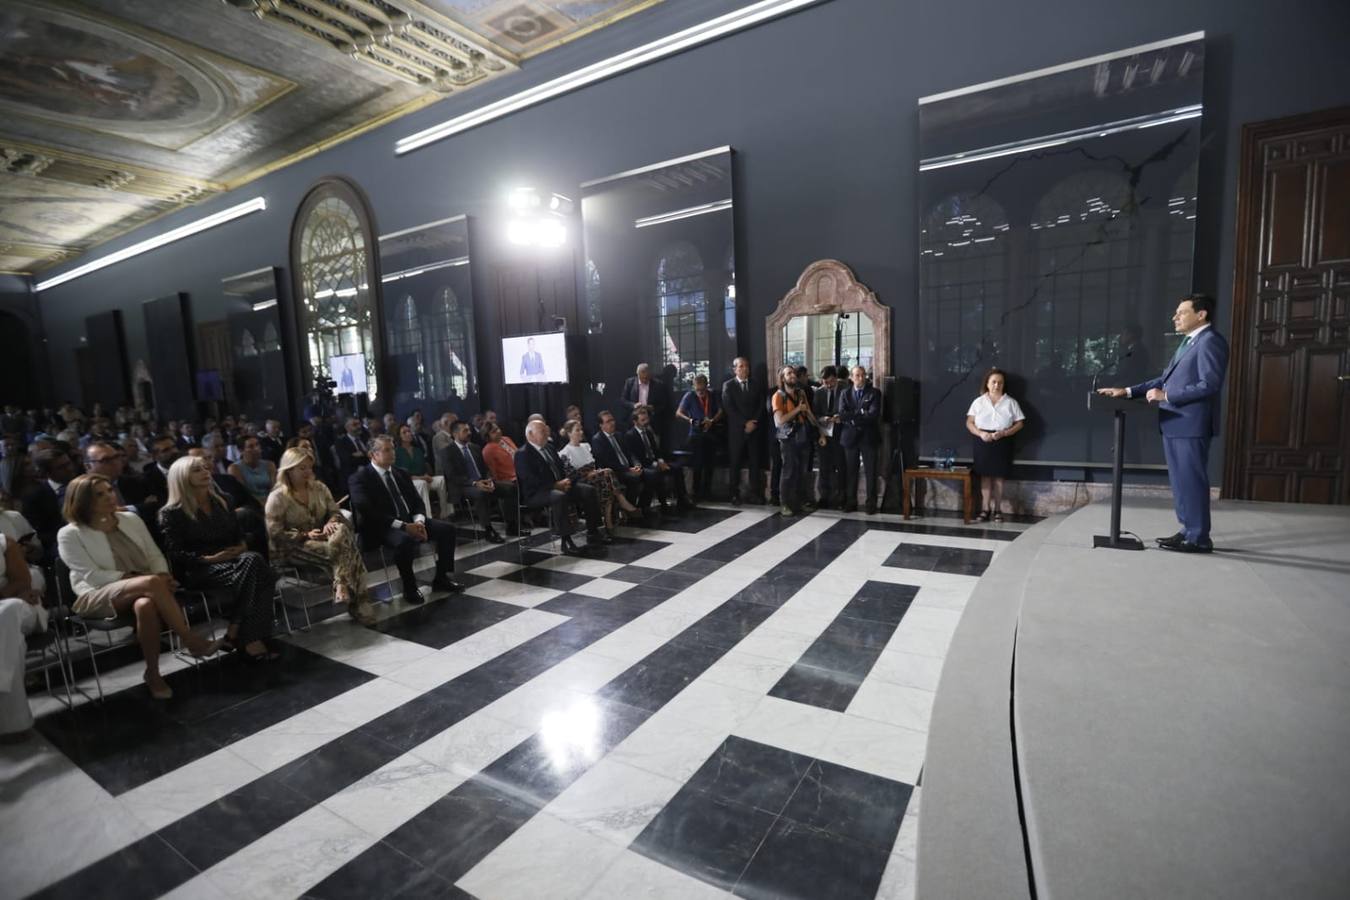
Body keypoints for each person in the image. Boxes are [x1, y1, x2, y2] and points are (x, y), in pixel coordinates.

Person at [59, 474, 221, 700]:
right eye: (100, 494)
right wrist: (146, 579)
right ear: (83, 501)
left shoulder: (130, 519)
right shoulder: (70, 534)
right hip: (96, 594)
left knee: (145, 604)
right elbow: (92, 576)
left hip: (144, 588)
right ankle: (190, 639)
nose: (109, 496)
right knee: (151, 583)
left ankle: (153, 674)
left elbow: (154, 554)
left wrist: (163, 574)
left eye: (109, 490)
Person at [1097, 293, 1230, 553]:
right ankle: (1188, 530)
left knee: (1191, 481)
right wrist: (1126, 390)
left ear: (1201, 314)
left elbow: (1209, 384)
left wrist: (1166, 396)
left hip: (1190, 424)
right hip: (1175, 423)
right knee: (1181, 483)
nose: (1175, 317)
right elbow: (1164, 378)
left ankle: (1199, 537)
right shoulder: (1189, 343)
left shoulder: (1210, 341)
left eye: (1181, 312)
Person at [159, 458, 279, 661]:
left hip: (235, 562)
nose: (205, 472)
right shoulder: (171, 513)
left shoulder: (224, 500)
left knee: (252, 562)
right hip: (201, 569)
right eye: (197, 470)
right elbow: (175, 553)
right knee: (262, 571)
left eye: (206, 467)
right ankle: (243, 635)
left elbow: (238, 534)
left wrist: (240, 545)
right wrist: (209, 558)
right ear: (182, 477)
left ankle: (236, 634)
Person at [266, 449, 376, 626]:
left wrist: (330, 522)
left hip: (326, 539)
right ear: (289, 470)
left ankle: (341, 584)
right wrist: (304, 535)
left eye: (309, 467)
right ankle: (360, 606)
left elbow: (335, 512)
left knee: (340, 530)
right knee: (350, 553)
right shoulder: (277, 497)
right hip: (292, 548)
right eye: (302, 468)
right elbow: (275, 534)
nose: (308, 472)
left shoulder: (320, 488)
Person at [348, 436, 463, 604]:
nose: (392, 453)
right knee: (405, 541)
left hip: (410, 520)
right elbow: (368, 511)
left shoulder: (400, 473)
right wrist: (403, 526)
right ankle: (409, 587)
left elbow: (417, 502)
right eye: (387, 450)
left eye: (392, 448)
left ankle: (441, 578)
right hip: (382, 526)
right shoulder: (360, 478)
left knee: (447, 529)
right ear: (373, 455)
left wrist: (419, 522)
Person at [515, 420, 610, 556]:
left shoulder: (549, 448)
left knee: (587, 490)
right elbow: (530, 479)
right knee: (558, 496)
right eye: (542, 432)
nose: (546, 435)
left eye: (546, 431)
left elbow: (561, 469)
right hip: (537, 493)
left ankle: (593, 532)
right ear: (530, 434)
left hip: (559, 486)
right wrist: (555, 485)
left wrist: (568, 481)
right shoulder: (522, 453)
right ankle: (566, 541)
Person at [965, 367, 1025, 523]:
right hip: (982, 441)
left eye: (1000, 382)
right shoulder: (978, 402)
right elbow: (969, 422)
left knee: (999, 477)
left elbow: (1020, 424)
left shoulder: (1011, 402)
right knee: (984, 476)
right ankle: (985, 509)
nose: (996, 385)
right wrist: (981, 433)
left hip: (1002, 441)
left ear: (1003, 384)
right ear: (987, 383)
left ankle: (998, 510)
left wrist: (1005, 433)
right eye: (993, 382)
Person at [1, 531, 45, 737]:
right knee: (12, 637)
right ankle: (15, 723)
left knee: (7, 611)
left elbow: (22, 582)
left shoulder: (5, 543)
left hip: (21, 608)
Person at [439, 420, 514, 543]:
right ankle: (488, 530)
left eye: (469, 430)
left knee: (510, 487)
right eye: (465, 431)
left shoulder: (475, 448)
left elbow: (484, 469)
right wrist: (474, 483)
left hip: (482, 481)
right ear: (456, 434)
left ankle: (512, 524)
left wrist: (488, 479)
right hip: (463, 486)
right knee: (480, 493)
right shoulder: (447, 451)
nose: (469, 433)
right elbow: (453, 476)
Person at [559, 419, 639, 530]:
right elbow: (571, 476)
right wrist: (589, 474)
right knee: (607, 476)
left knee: (606, 479)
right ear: (569, 433)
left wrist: (596, 472)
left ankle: (608, 520)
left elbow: (595, 465)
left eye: (581, 429)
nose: (581, 432)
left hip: (597, 476)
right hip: (582, 481)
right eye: (577, 430)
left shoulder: (586, 446)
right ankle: (619, 505)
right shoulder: (565, 452)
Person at [771, 365, 822, 517]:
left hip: (803, 435)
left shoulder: (801, 393)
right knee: (788, 471)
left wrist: (820, 431)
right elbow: (779, 421)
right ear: (782, 378)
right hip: (788, 438)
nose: (792, 375)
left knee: (802, 471)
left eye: (793, 373)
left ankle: (800, 501)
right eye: (789, 373)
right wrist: (798, 410)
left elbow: (809, 413)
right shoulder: (778, 396)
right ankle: (784, 503)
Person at [625, 404, 691, 512]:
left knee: (677, 468)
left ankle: (682, 499)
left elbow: (656, 451)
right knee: (655, 473)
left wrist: (660, 461)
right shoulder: (630, 435)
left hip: (655, 461)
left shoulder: (649, 432)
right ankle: (654, 504)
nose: (646, 422)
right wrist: (656, 464)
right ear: (635, 422)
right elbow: (636, 457)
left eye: (647, 419)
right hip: (644, 465)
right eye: (643, 420)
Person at [837, 365, 882, 514]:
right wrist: (861, 413)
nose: (861, 378)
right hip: (850, 438)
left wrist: (854, 416)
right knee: (850, 471)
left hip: (868, 437)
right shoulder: (844, 393)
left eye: (863, 375)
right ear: (851, 377)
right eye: (857, 375)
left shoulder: (875, 393)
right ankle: (851, 502)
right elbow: (842, 414)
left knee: (871, 471)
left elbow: (873, 414)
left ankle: (871, 504)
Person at [592, 410, 655, 515]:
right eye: (608, 421)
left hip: (629, 468)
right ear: (601, 425)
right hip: (615, 472)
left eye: (612, 420)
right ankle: (629, 511)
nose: (612, 423)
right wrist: (628, 469)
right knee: (633, 478)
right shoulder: (598, 440)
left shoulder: (619, 435)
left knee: (652, 475)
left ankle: (643, 506)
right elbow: (607, 462)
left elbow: (630, 453)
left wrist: (636, 464)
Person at [722, 357, 765, 505]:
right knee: (735, 462)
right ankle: (734, 494)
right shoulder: (728, 386)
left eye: (746, 366)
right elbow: (729, 408)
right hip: (737, 431)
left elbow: (761, 405)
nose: (745, 369)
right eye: (741, 366)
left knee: (755, 462)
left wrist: (753, 422)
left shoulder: (756, 384)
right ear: (735, 369)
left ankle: (755, 494)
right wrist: (744, 423)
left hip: (754, 428)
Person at [676, 374, 724, 502]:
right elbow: (678, 412)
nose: (700, 393)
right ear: (694, 387)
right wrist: (690, 420)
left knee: (710, 465)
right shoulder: (689, 396)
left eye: (702, 390)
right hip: (696, 434)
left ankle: (707, 491)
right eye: (697, 390)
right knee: (698, 464)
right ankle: (696, 492)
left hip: (711, 433)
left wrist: (712, 420)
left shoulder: (713, 395)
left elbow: (721, 410)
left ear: (706, 386)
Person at [395, 424, 450, 518]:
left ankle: (446, 513)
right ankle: (428, 516)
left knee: (441, 479)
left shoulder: (417, 450)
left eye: (409, 431)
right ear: (399, 436)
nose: (408, 434)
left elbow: (423, 468)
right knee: (422, 483)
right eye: (404, 432)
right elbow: (401, 473)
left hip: (422, 477)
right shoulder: (397, 452)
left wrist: (426, 475)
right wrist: (421, 477)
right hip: (408, 481)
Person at [813, 366, 845, 508]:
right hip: (823, 434)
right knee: (824, 467)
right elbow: (814, 413)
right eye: (825, 382)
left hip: (840, 433)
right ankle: (824, 497)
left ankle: (840, 498)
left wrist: (840, 417)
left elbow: (848, 410)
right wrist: (821, 418)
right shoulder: (819, 393)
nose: (828, 385)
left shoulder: (844, 390)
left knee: (841, 467)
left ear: (836, 378)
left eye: (831, 382)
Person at [228, 435, 276, 507]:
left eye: (257, 445)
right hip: (251, 505)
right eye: (251, 447)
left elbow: (275, 488)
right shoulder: (234, 468)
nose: (256, 448)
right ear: (241, 450)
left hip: (272, 502)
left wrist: (271, 502)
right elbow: (244, 494)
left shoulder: (270, 465)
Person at [333, 416, 370, 488]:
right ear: (347, 428)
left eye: (359, 424)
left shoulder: (366, 437)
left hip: (369, 474)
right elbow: (348, 460)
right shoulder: (341, 442)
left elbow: (372, 454)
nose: (359, 427)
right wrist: (365, 453)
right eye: (355, 425)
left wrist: (360, 454)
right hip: (351, 476)